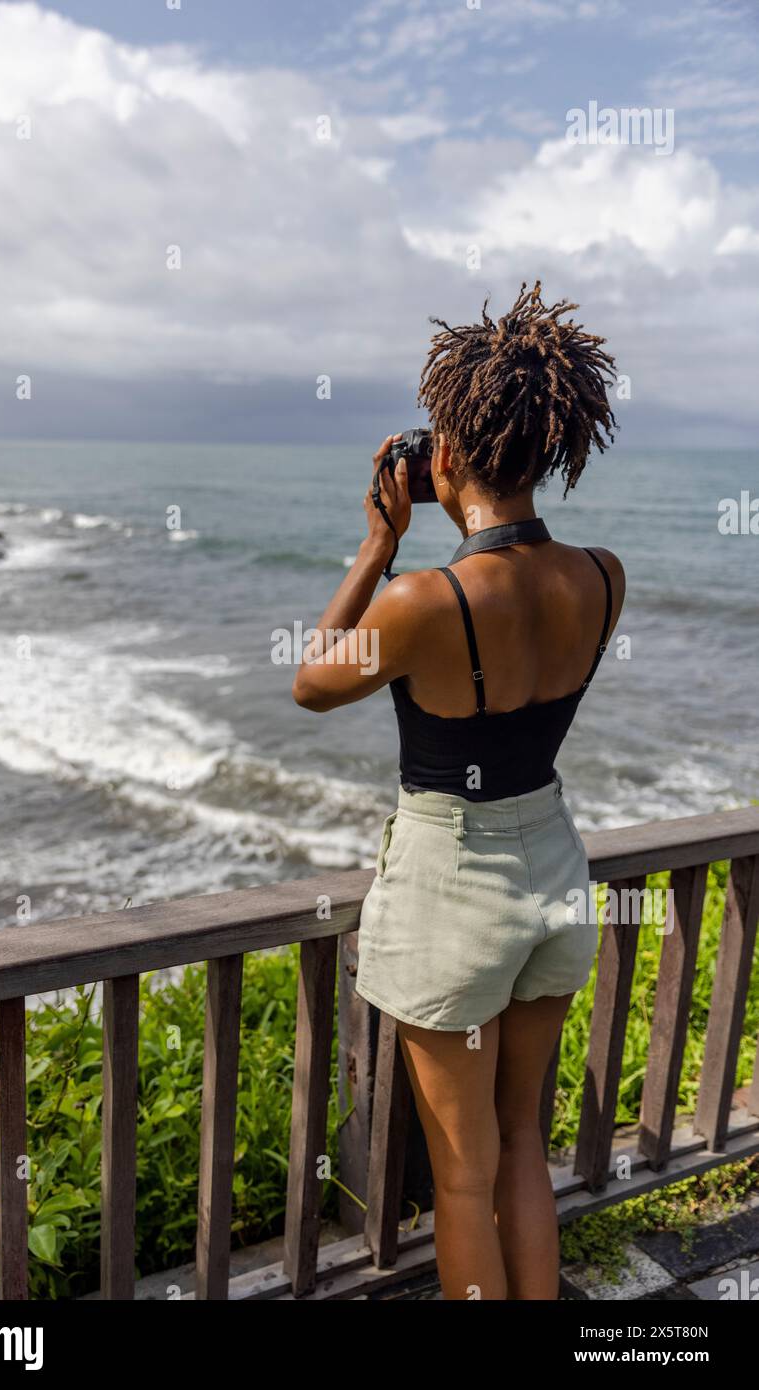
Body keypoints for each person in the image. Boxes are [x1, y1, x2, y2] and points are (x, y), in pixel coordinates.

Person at [292, 281, 626, 1301]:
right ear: (550, 449)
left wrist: (379, 542)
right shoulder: (603, 576)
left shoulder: (423, 601)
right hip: (556, 874)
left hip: (456, 885)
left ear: (443, 458)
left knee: (463, 1170)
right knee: (524, 1141)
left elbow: (311, 679)